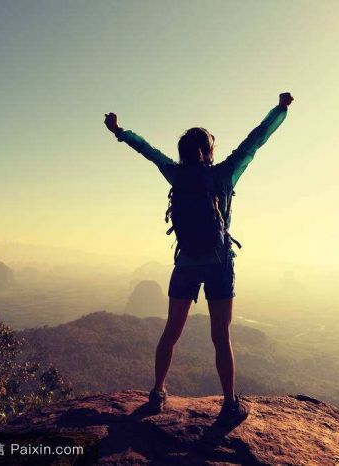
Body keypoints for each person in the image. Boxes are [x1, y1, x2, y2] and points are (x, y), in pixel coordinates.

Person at [104, 92, 293, 424]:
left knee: (171, 332)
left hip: (186, 263)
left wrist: (119, 131)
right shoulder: (224, 174)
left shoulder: (175, 174)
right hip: (219, 263)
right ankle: (230, 403)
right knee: (221, 336)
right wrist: (280, 110)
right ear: (207, 151)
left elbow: (147, 150)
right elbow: (255, 140)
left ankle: (157, 392)